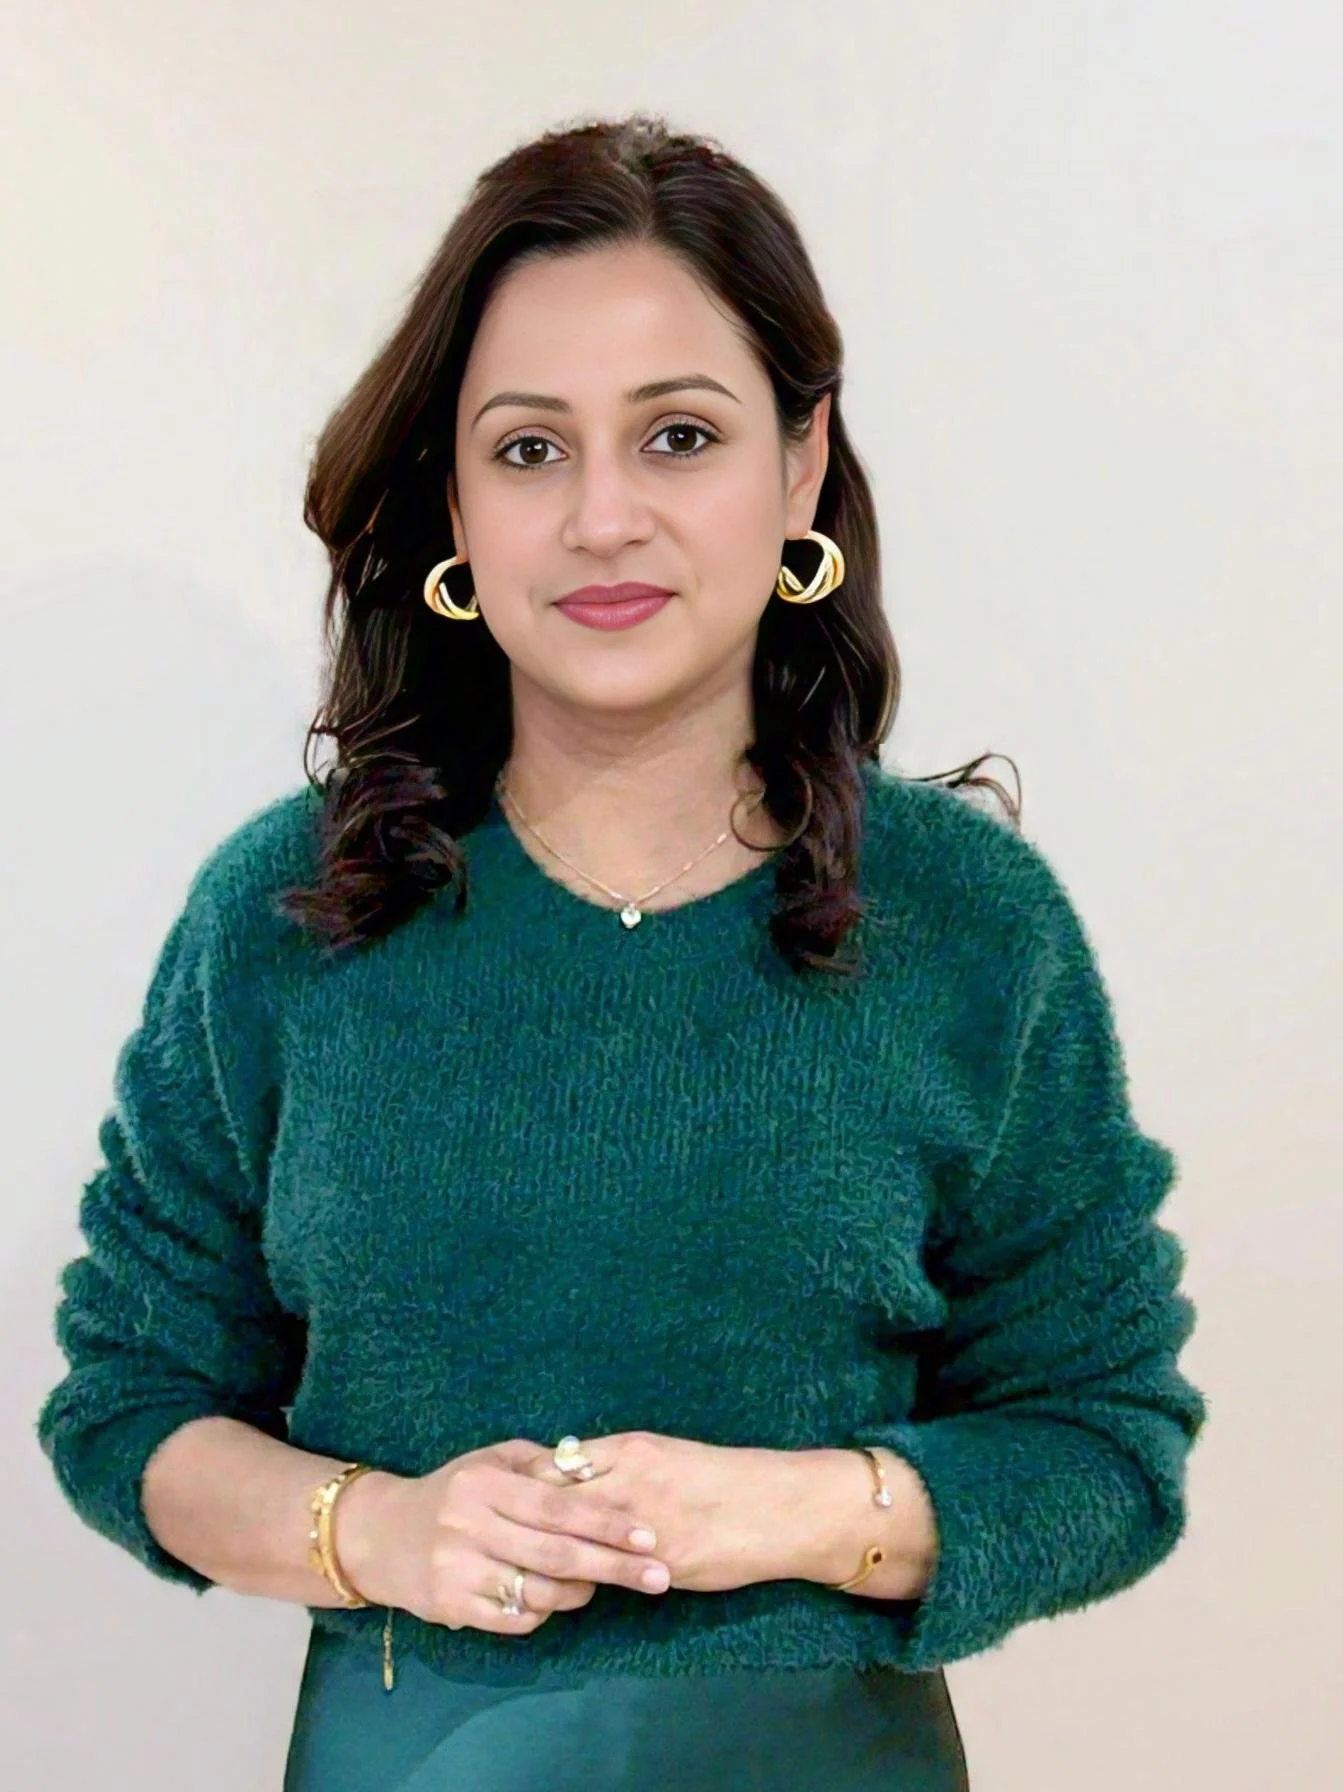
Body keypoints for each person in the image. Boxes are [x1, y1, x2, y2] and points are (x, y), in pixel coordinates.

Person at [34, 113, 1207, 1791]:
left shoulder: (968, 928)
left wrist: (794, 1506)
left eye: (676, 437)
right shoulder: (281, 925)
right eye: (527, 450)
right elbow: (128, 1406)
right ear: (448, 493)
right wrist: (377, 1530)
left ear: (798, 466)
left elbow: (1106, 1439)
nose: (602, 518)